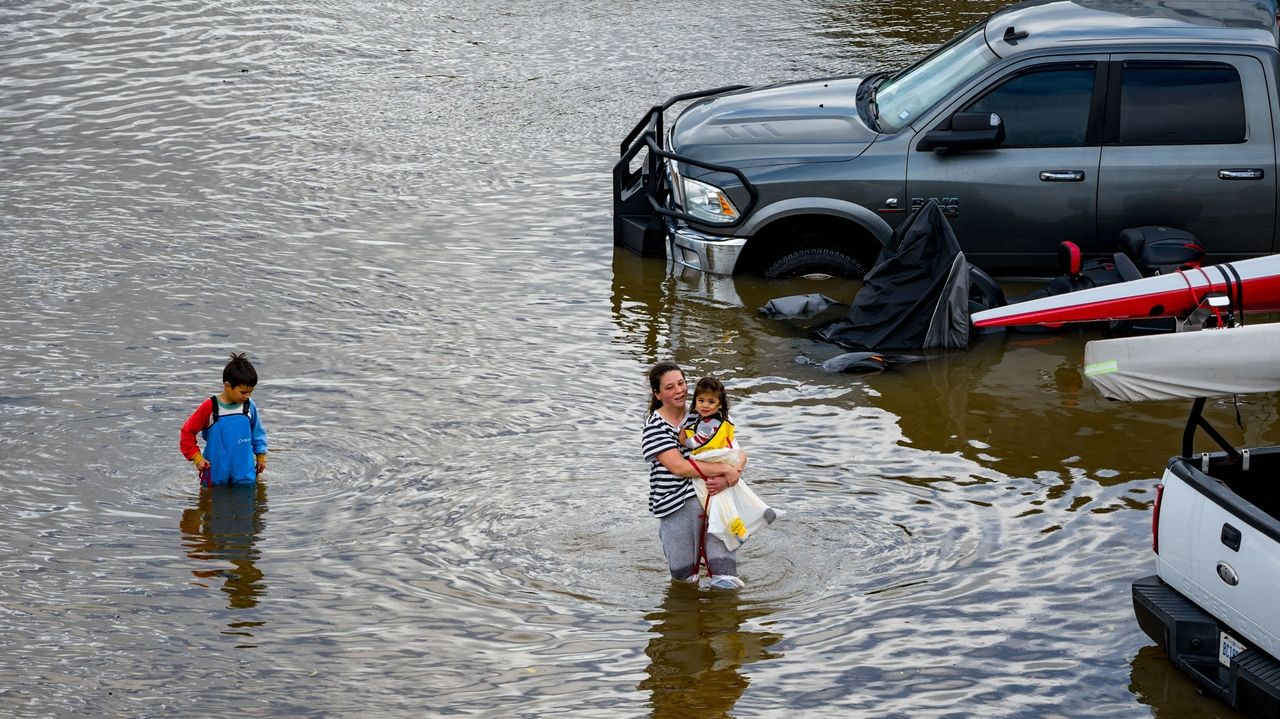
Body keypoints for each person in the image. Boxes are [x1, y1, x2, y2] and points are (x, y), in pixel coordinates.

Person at [642, 361, 743, 590]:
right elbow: (679, 467)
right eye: (670, 387)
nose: (679, 390)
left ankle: (724, 623)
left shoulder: (704, 412)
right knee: (683, 582)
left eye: (681, 383)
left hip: (715, 501)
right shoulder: (654, 426)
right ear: (657, 394)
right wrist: (724, 470)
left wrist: (733, 472)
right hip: (675, 506)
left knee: (726, 578)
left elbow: (737, 452)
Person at [681, 376, 778, 552]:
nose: (704, 405)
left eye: (710, 402)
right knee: (736, 488)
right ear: (694, 401)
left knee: (714, 500)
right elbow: (737, 448)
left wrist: (682, 439)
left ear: (719, 405)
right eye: (701, 400)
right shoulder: (725, 420)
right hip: (727, 457)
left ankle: (735, 530)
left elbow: (694, 443)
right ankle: (760, 509)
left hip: (711, 459)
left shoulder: (707, 425)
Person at [180, 352, 268, 485]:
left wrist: (261, 456)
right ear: (227, 386)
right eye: (243, 392)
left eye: (251, 392)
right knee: (209, 503)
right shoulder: (210, 407)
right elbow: (187, 431)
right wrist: (197, 458)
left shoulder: (249, 406)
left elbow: (257, 432)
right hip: (215, 472)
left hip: (244, 472)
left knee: (248, 503)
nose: (247, 396)